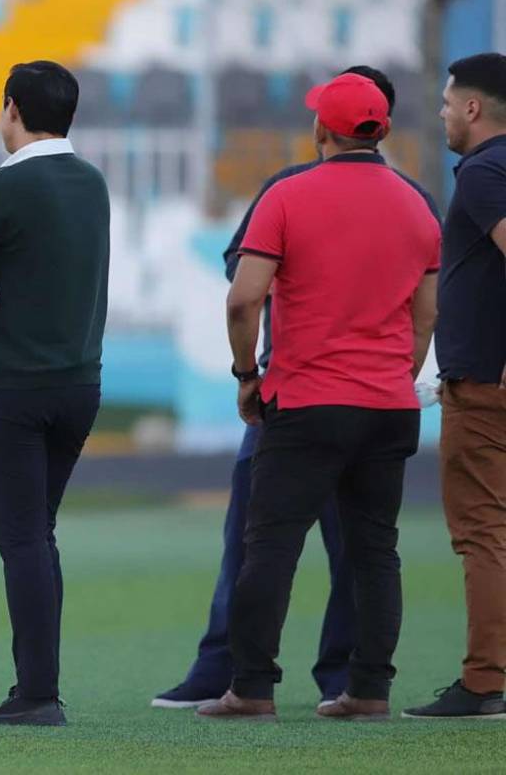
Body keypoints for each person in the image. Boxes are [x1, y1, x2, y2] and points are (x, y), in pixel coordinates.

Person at [153, 66, 440, 711]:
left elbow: (243, 297)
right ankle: (367, 689)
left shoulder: (290, 194)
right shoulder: (417, 204)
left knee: (271, 546)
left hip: (309, 398)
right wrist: (398, 372)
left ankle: (250, 686)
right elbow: (426, 313)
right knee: (375, 554)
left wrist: (247, 374)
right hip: (388, 406)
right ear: (383, 130)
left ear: (320, 129)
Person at [0, 60, 110, 727]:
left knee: (23, 540)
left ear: (12, 110)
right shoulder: (93, 184)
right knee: (39, 534)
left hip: (10, 388)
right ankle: (39, 687)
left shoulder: (3, 187)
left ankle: (37, 694)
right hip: (80, 386)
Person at [405, 52, 506, 720]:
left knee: (483, 532)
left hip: (485, 390)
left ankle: (484, 680)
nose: (441, 113)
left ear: (472, 108)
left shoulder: (482, 172)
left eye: (446, 103)